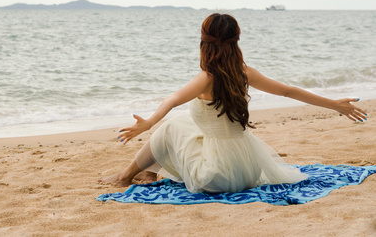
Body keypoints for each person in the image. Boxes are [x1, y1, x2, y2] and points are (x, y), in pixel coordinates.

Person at [98, 13, 367, 193]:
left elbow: (173, 99)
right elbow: (288, 91)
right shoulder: (244, 71)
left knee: (169, 127)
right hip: (246, 171)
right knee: (181, 124)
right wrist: (335, 105)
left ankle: (125, 176)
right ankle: (148, 173)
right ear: (236, 40)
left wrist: (149, 123)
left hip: (214, 177)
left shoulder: (207, 77)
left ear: (204, 43)